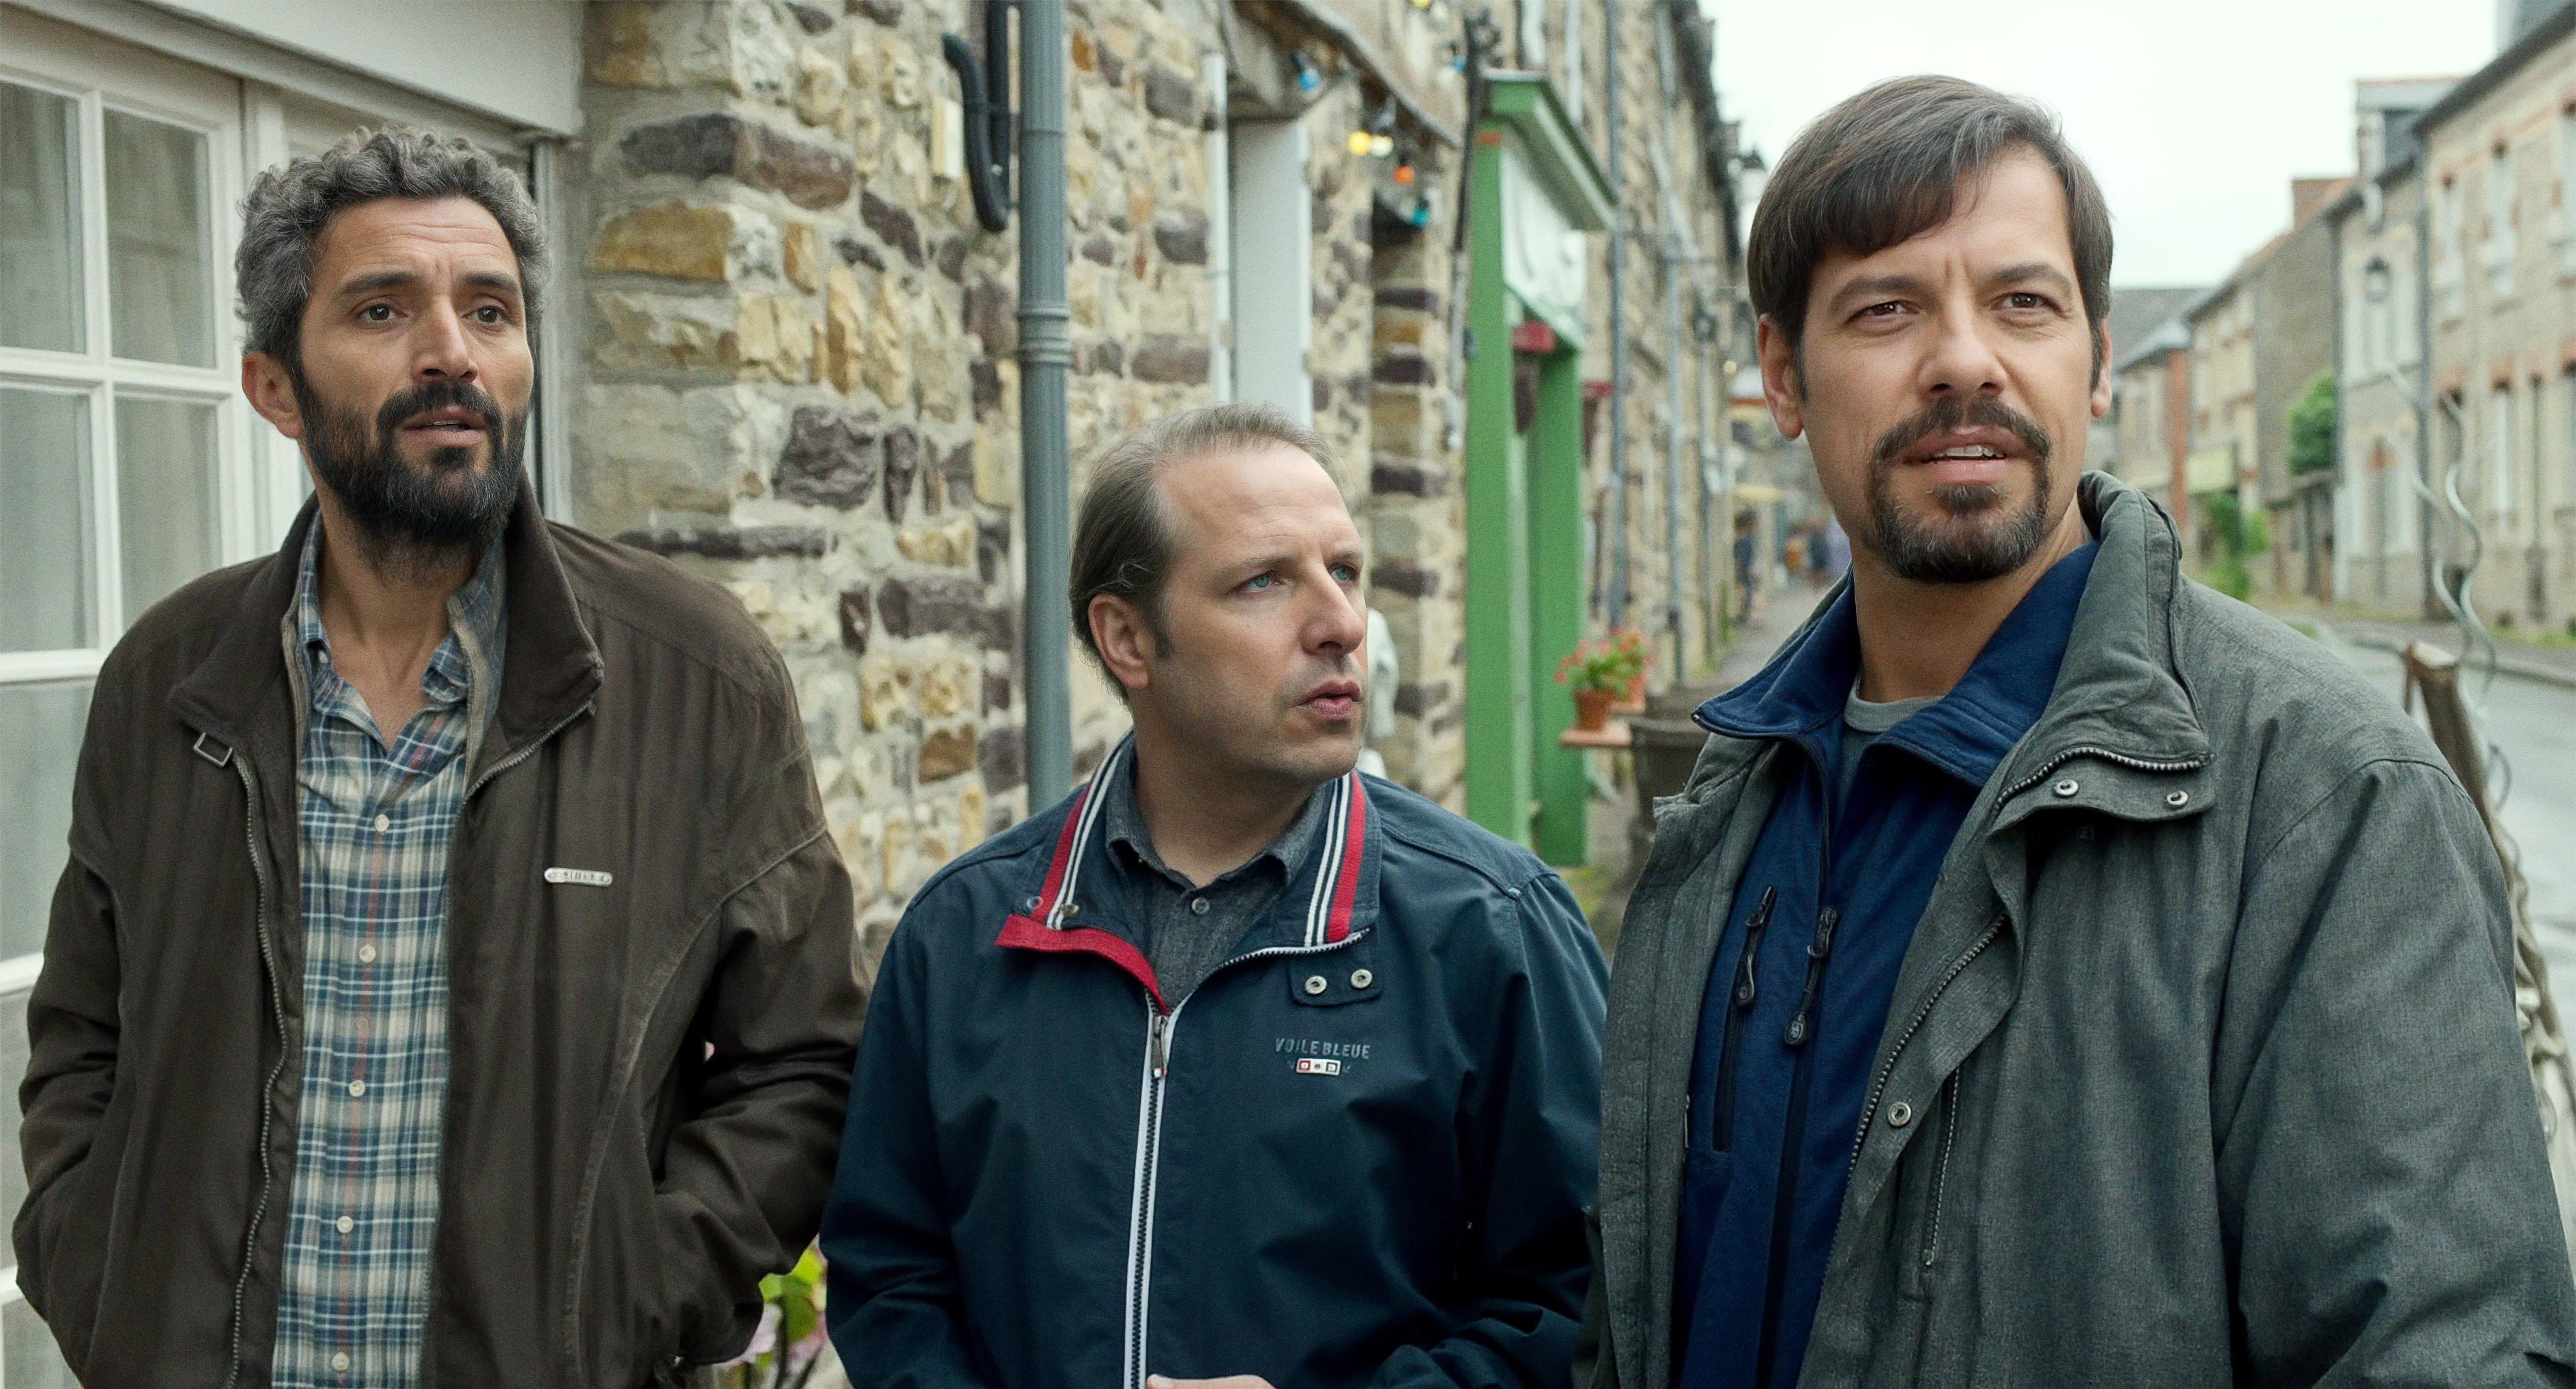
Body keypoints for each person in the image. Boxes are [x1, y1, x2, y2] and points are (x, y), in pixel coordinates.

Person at [1587, 75, 2576, 1389]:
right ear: (1781, 376)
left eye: (2022, 303)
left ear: (2098, 362)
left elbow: (2439, 1352)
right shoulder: (1734, 798)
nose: (1964, 360)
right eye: (1886, 309)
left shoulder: (2324, 799)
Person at [14, 128, 865, 1387]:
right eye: (382, 309)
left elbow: (800, 1061)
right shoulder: (172, 677)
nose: (452, 353)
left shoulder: (696, 678)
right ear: (275, 387)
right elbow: (85, 1037)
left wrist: (632, 1300)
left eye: (490, 311)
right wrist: (102, 1282)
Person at [823, 403, 1607, 1389]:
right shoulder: (966, 936)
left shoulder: (1493, 926)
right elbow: (891, 1276)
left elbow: (1580, 1306)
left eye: (1345, 570)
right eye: (1263, 582)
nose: (1342, 624)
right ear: (1128, 639)